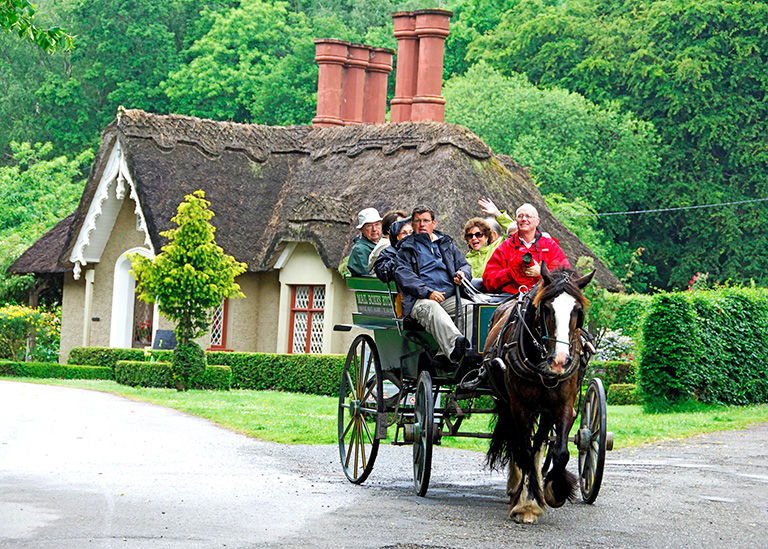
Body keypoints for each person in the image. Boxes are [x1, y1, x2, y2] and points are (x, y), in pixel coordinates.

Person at [395, 205, 473, 362]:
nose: (422, 224)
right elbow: (405, 276)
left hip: (449, 297)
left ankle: (466, 354)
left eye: (426, 220)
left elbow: (464, 265)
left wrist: (463, 275)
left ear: (434, 223)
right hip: (419, 300)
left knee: (471, 309)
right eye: (418, 221)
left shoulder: (446, 244)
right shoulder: (406, 248)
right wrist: (428, 292)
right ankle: (453, 350)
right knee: (432, 308)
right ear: (412, 224)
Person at [482, 203, 570, 294]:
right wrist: (512, 272)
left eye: (528, 216)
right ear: (516, 221)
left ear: (537, 221)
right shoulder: (506, 246)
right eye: (520, 216)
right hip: (511, 297)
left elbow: (566, 276)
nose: (524, 219)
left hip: (543, 296)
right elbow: (488, 281)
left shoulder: (549, 245)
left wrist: (542, 273)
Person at [373, 217, 413, 283]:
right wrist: (402, 255)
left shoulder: (419, 249)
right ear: (396, 236)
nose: (408, 236)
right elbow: (383, 273)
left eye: (411, 232)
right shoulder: (388, 252)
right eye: (404, 233)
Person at [347, 207, 382, 277]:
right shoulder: (359, 250)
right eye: (369, 226)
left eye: (377, 224)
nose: (374, 229)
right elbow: (368, 277)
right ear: (361, 229)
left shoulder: (383, 244)